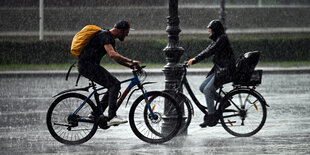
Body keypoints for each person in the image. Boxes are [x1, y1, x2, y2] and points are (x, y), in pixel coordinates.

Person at [78, 20, 140, 126]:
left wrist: (130, 66)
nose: (127, 34)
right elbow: (112, 55)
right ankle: (111, 117)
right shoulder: (105, 35)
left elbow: (117, 58)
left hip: (90, 65)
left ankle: (95, 113)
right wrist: (131, 61)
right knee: (114, 85)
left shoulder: (110, 38)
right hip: (87, 66)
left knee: (113, 85)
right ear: (120, 30)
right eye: (126, 32)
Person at [186, 19, 236, 128]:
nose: (209, 31)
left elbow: (209, 52)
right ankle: (223, 101)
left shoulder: (222, 39)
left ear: (215, 30)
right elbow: (206, 50)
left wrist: (195, 60)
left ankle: (211, 116)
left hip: (226, 70)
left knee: (208, 90)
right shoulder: (218, 39)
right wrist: (193, 59)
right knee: (202, 87)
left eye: (210, 29)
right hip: (220, 69)